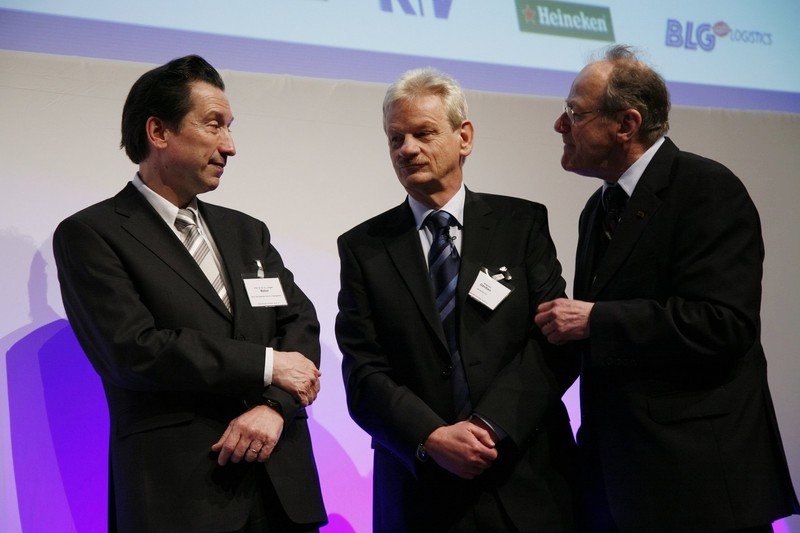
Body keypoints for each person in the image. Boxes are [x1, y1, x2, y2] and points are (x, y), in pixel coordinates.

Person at [53, 55, 327, 532]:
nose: (230, 146)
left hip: (281, 492)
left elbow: (298, 323)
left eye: (230, 128)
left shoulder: (247, 232)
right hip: (181, 497)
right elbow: (133, 350)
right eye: (214, 125)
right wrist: (266, 365)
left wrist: (274, 407)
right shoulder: (93, 234)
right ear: (158, 131)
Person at [534, 44, 800, 532]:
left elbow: (724, 324)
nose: (559, 125)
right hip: (620, 485)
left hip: (698, 487)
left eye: (574, 112)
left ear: (626, 124)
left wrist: (596, 319)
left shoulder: (706, 188)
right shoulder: (598, 209)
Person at [336, 67, 578, 532]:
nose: (407, 149)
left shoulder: (521, 225)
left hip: (526, 480)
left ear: (463, 137)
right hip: (420, 489)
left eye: (423, 133)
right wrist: (431, 436)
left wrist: (490, 427)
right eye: (395, 138)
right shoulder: (364, 248)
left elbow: (553, 341)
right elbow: (364, 371)